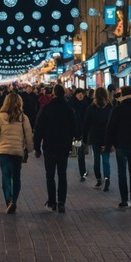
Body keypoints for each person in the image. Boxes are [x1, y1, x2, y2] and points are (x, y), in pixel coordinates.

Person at [34, 84, 78, 213]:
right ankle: (61, 202)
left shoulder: (47, 108)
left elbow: (39, 128)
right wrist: (74, 140)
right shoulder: (69, 108)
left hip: (49, 146)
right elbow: (75, 127)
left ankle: (52, 201)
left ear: (53, 93)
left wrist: (37, 147)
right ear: (64, 94)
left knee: (50, 175)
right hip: (64, 146)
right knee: (62, 174)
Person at [0, 91, 34, 214]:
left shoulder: (0, 117)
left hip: (4, 150)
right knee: (16, 177)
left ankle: (8, 200)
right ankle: (14, 201)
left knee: (5, 175)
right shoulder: (23, 118)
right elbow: (28, 135)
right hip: (17, 151)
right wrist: (29, 149)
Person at [83, 87, 113, 191]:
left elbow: (86, 124)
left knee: (96, 159)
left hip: (95, 137)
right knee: (106, 160)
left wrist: (85, 139)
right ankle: (107, 179)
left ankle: (99, 180)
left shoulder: (91, 108)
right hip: (107, 137)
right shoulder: (110, 107)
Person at [69, 87, 89, 181]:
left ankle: (83, 172)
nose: (80, 95)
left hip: (84, 132)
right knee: (80, 153)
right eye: (79, 93)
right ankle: (83, 172)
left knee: (82, 153)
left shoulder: (86, 104)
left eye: (82, 93)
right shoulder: (71, 104)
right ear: (75, 94)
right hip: (75, 133)